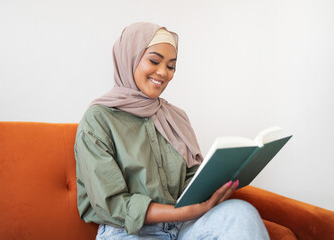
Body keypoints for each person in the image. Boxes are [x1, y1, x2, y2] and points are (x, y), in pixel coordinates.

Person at [74, 22, 270, 240]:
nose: (163, 73)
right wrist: (184, 211)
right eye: (154, 61)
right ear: (128, 58)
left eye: (171, 66)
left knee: (241, 213)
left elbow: (189, 181)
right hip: (127, 232)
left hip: (183, 226)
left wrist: (217, 183)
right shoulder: (98, 120)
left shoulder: (176, 117)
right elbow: (110, 203)